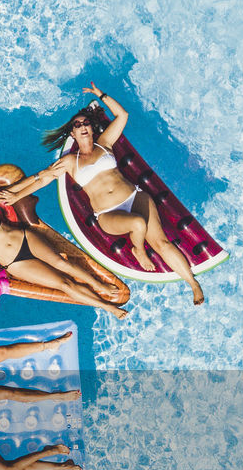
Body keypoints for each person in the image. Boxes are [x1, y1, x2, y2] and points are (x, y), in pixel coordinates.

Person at [17, 83, 206, 305]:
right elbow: (44, 178)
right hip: (108, 213)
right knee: (137, 224)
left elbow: (122, 115)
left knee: (162, 243)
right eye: (78, 125)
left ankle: (193, 285)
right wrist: (16, 193)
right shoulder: (70, 161)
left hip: (135, 197)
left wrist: (101, 94)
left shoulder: (104, 143)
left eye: (86, 122)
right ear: (73, 132)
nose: (83, 126)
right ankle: (138, 250)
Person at [0, 182, 129, 319]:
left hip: (26, 238)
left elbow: (11, 190)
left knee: (63, 263)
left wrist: (42, 176)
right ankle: (107, 307)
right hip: (16, 264)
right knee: (64, 284)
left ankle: (100, 285)